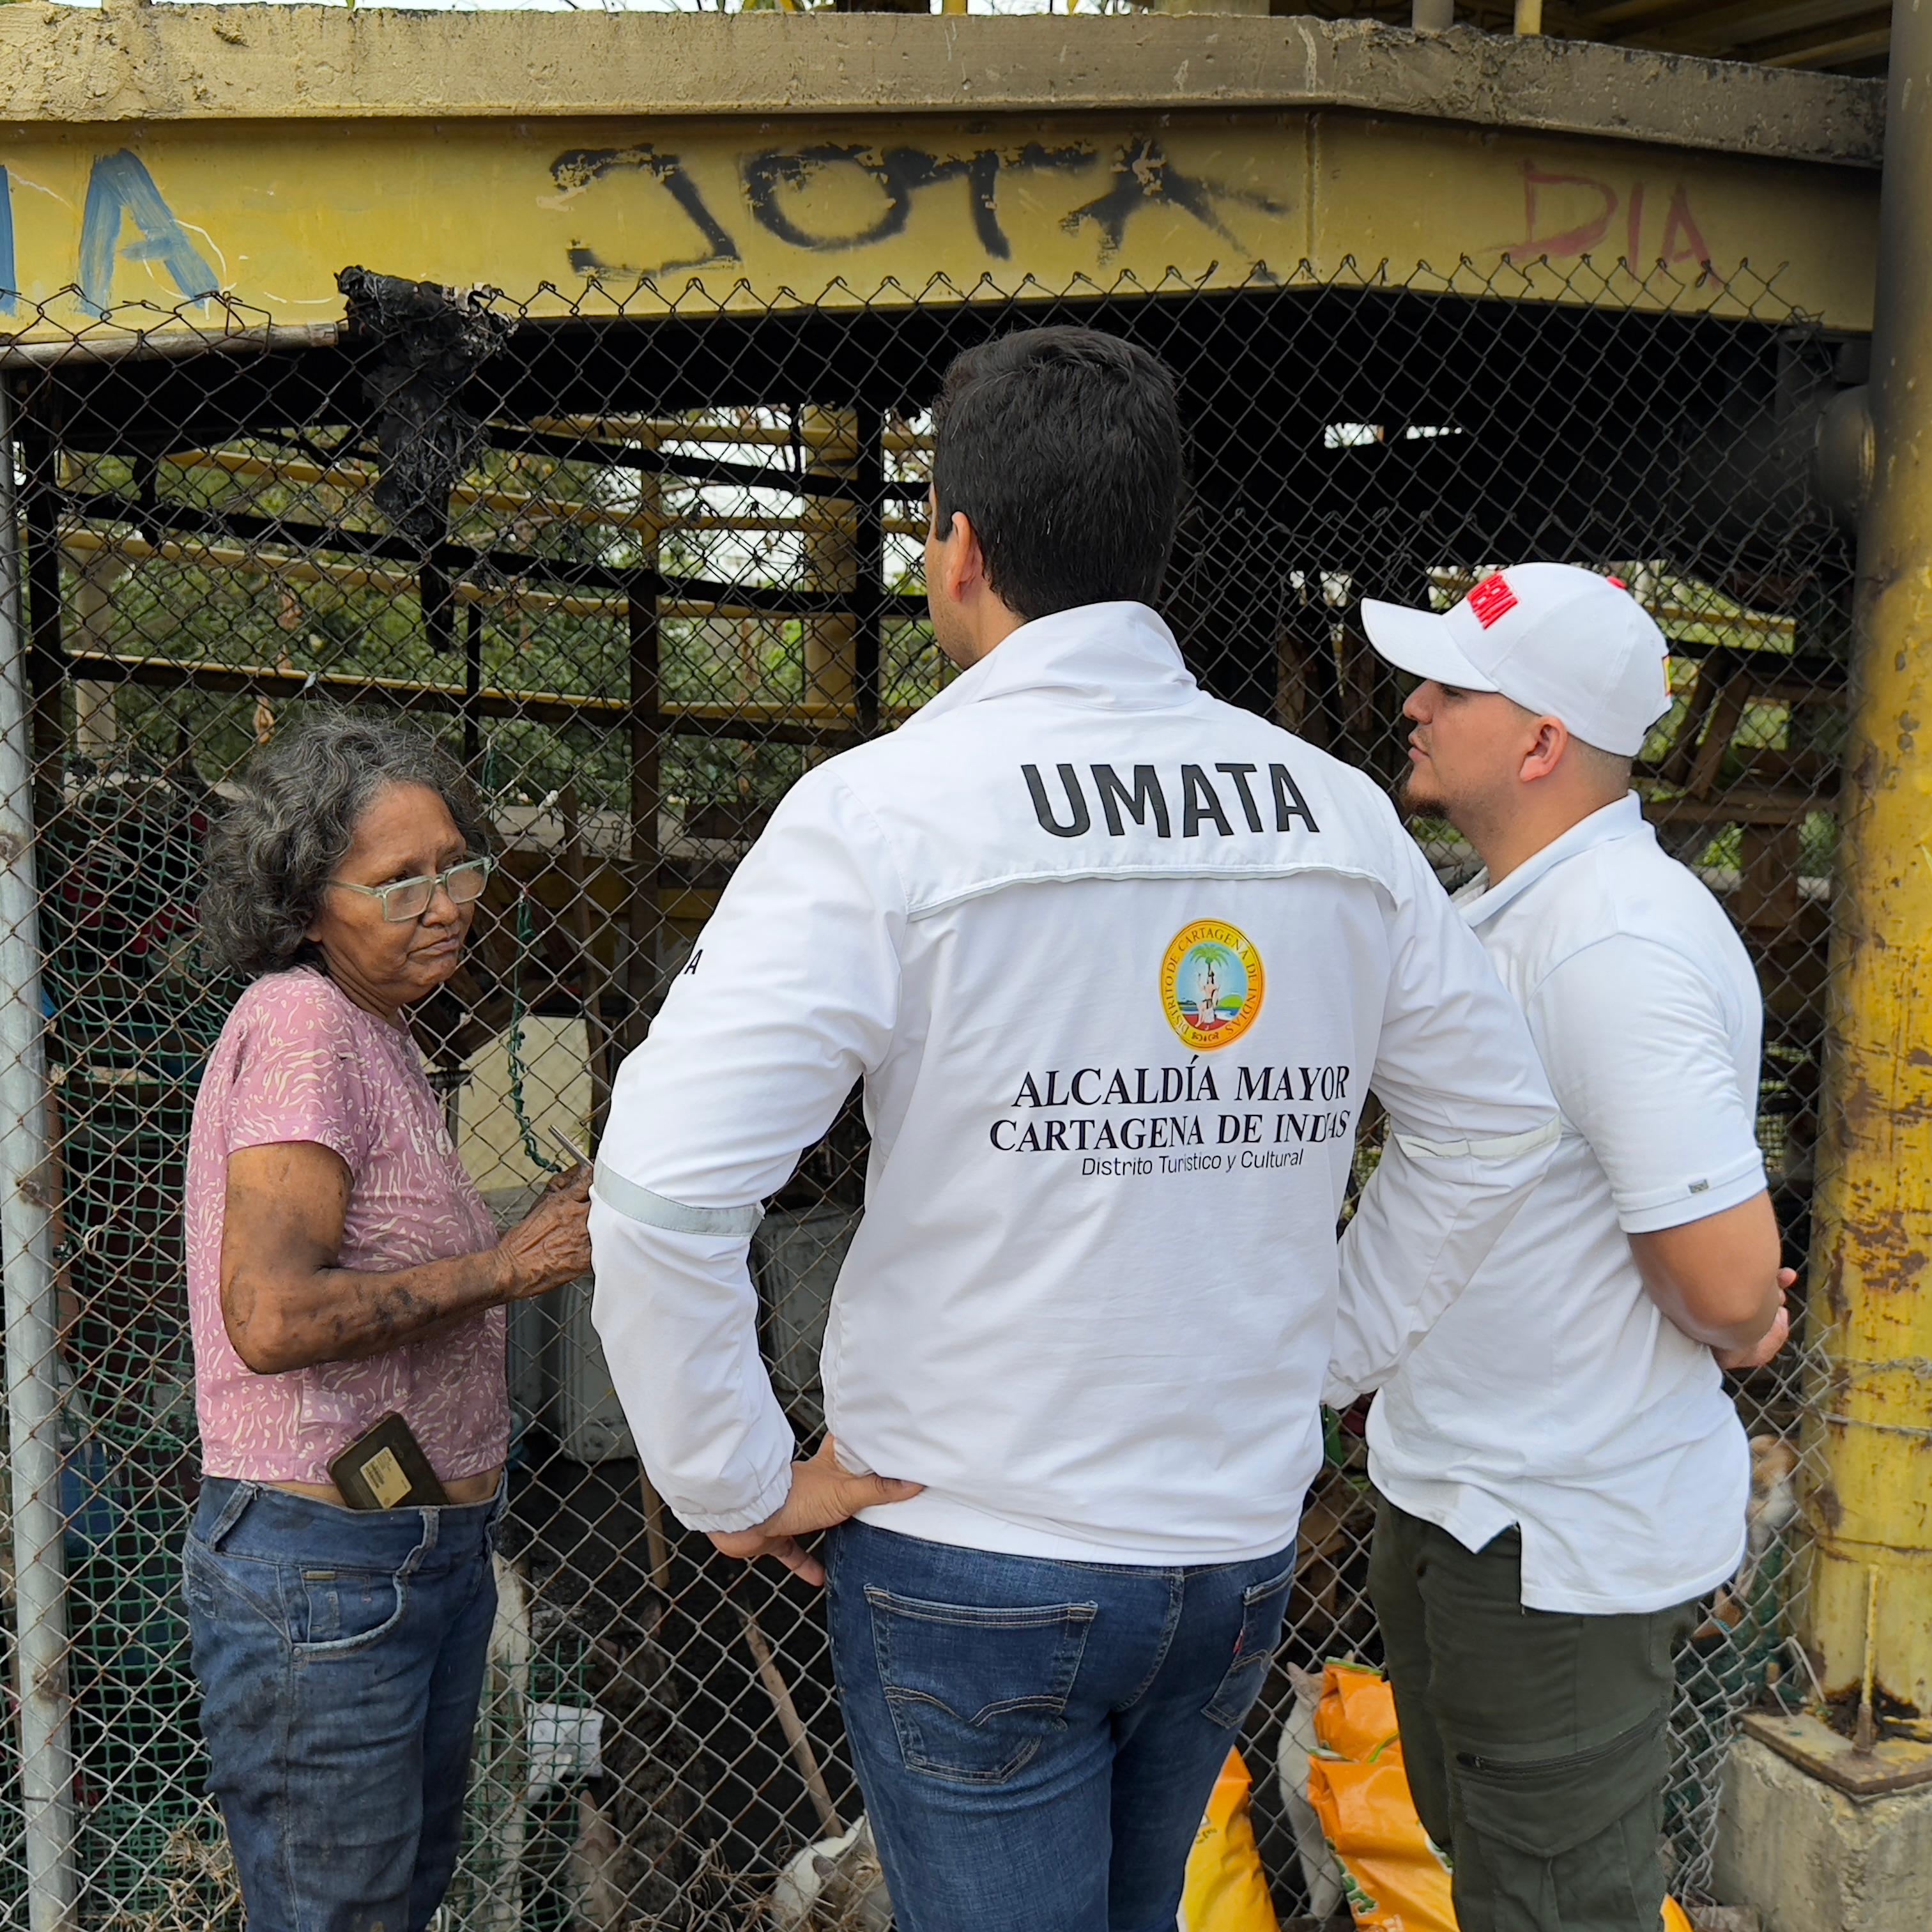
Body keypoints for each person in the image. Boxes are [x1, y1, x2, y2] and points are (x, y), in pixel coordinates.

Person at [588, 326, 1560, 1932]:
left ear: (956, 550)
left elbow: (666, 1193)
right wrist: (1321, 1352)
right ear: (1153, 547)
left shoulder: (883, 814)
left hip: (974, 1550)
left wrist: (737, 1477)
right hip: (1231, 1554)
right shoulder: (1332, 817)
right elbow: (1493, 1127)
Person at [1338, 564, 1791, 1932]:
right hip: (1470, 1500)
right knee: (1493, 1878)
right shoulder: (1522, 909)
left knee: (1552, 1905)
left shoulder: (1616, 945)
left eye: (1449, 688)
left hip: (1553, 1537)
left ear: (1540, 743)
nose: (1411, 704)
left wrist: (1744, 1324)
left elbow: (1723, 1276)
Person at [182, 715, 592, 1932]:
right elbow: (267, 1313)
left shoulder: (381, 1036)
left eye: (457, 864)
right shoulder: (308, 1030)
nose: (445, 902)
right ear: (310, 903)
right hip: (327, 1570)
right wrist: (500, 1272)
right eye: (398, 881)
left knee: (385, 1908)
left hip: (405, 1562)